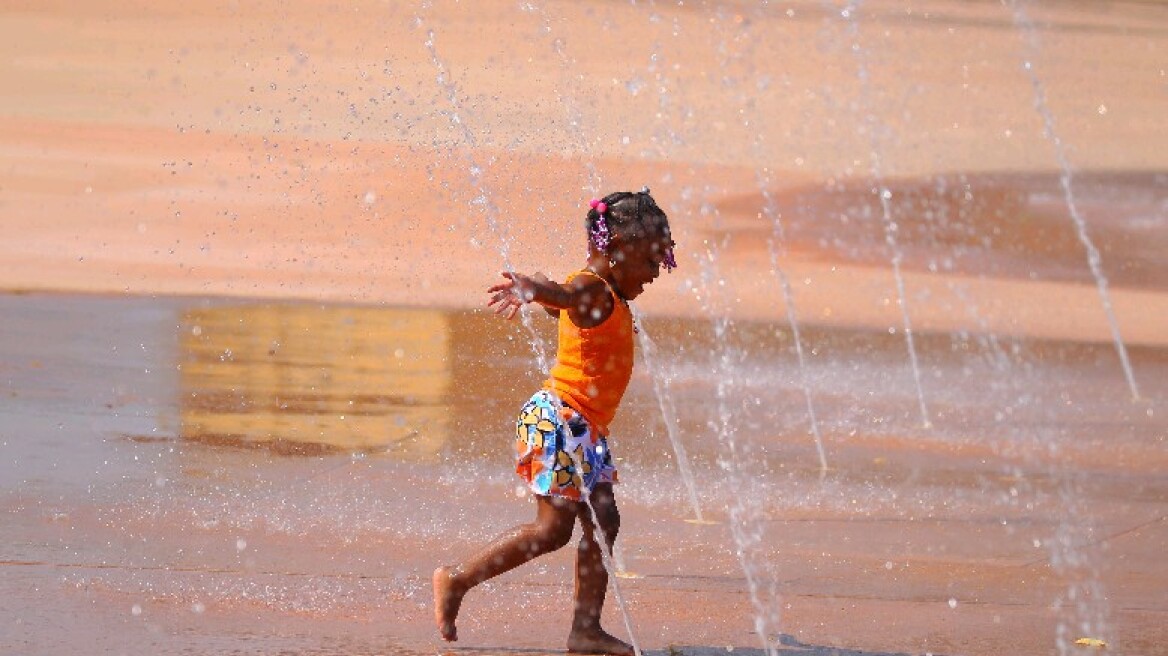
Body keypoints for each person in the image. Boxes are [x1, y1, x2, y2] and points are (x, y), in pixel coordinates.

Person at [432, 189, 677, 655]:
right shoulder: (592, 289)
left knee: (604, 520)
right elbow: (562, 295)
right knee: (553, 531)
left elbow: (559, 302)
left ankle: (585, 630)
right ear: (617, 249)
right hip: (561, 421)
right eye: (650, 261)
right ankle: (457, 580)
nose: (653, 274)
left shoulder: (603, 296)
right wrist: (534, 290)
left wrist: (544, 294)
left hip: (585, 429)